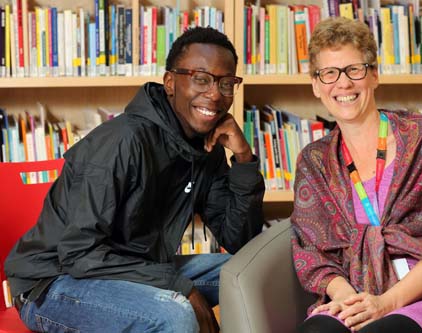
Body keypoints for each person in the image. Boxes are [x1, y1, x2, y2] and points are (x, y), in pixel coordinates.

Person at [5, 26, 265, 333]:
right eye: (201, 78)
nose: (214, 94)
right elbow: (79, 254)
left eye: (226, 83)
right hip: (54, 284)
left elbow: (239, 240)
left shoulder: (207, 145)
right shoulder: (122, 142)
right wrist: (179, 286)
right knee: (176, 314)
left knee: (251, 274)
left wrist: (244, 159)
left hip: (136, 267)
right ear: (171, 82)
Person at [291, 17, 422, 333]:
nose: (343, 84)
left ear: (374, 75)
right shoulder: (313, 161)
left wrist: (386, 303)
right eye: (329, 73)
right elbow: (312, 253)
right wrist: (350, 300)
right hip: (354, 292)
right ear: (316, 85)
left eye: (354, 70)